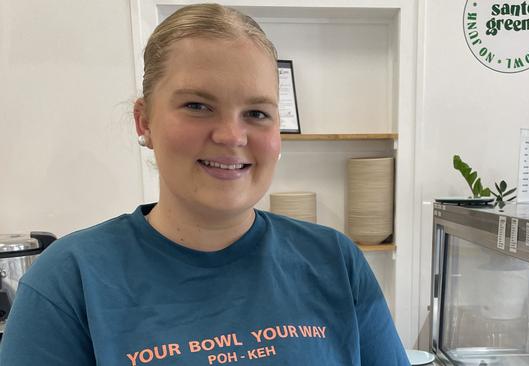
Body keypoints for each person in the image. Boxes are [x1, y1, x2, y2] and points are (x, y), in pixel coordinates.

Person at [0, 4, 410, 365]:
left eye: (257, 112)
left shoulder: (336, 261)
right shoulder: (70, 281)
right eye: (197, 106)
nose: (232, 136)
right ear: (144, 121)